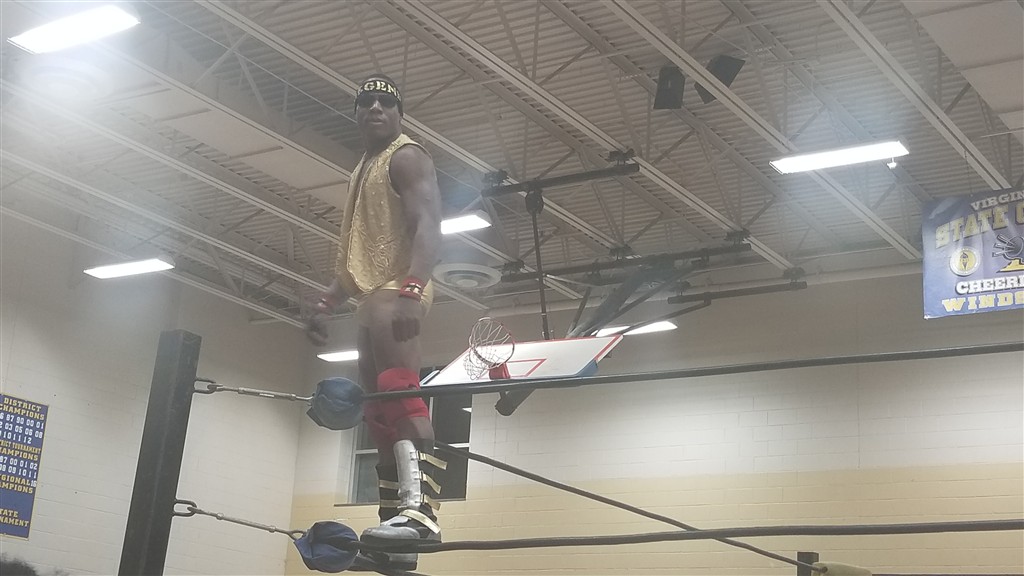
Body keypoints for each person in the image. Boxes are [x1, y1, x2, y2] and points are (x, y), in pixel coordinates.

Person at [306, 74, 444, 568]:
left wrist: (413, 287)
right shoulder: (362, 167)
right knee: (378, 410)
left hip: (399, 288)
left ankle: (422, 514)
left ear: (400, 114)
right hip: (372, 292)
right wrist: (327, 301)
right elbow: (362, 253)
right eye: (367, 102)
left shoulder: (407, 156)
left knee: (399, 392)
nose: (376, 109)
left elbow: (429, 224)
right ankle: (394, 533)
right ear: (357, 114)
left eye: (387, 102)